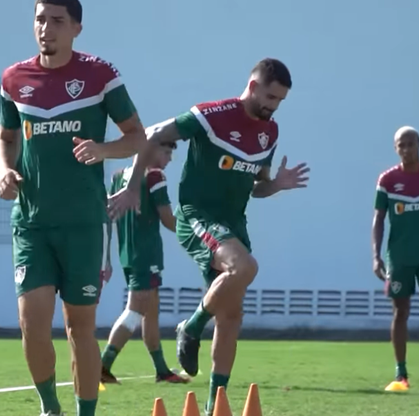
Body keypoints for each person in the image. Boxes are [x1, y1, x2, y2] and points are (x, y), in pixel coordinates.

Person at [78, 58, 310, 414]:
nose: (273, 106)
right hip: (197, 215)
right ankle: (192, 325)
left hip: (234, 224)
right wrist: (134, 187)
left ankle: (212, 404)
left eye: (280, 101)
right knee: (245, 267)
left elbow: (257, 187)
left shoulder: (270, 132)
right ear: (252, 86)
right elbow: (154, 135)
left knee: (232, 316)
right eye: (269, 97)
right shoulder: (211, 115)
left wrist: (276, 184)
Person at [0, 0, 146, 415]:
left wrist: (102, 149)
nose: (46, 27)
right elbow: (6, 140)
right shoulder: (14, 79)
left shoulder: (101, 76)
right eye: (40, 19)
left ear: (76, 28)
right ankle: (50, 408)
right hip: (31, 223)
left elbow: (137, 137)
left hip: (84, 224)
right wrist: (4, 170)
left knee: (80, 327)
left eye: (57, 20)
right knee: (32, 325)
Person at [100, 141, 190, 385]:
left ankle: (162, 370)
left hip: (128, 254)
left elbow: (107, 218)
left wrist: (106, 258)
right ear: (148, 152)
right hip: (146, 255)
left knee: (151, 312)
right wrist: (196, 229)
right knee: (135, 311)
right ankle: (102, 365)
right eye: (166, 152)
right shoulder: (154, 176)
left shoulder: (119, 177)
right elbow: (169, 220)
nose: (169, 159)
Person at [372, 126, 419, 391]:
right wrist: (376, 256)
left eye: (411, 144)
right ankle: (401, 374)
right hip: (399, 257)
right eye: (401, 145)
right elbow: (378, 220)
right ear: (396, 148)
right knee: (401, 312)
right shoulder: (387, 180)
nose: (406, 149)